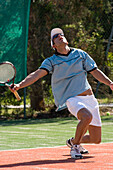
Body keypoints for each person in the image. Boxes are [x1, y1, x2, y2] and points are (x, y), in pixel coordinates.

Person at [10, 28, 113, 159]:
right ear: (53, 45)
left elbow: (95, 71)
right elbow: (36, 75)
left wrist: (110, 83)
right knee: (86, 117)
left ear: (66, 39)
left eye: (61, 35)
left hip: (90, 98)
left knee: (96, 138)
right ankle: (75, 147)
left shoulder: (80, 54)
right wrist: (19, 85)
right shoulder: (51, 61)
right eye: (56, 36)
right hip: (71, 99)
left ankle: (73, 141)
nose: (60, 36)